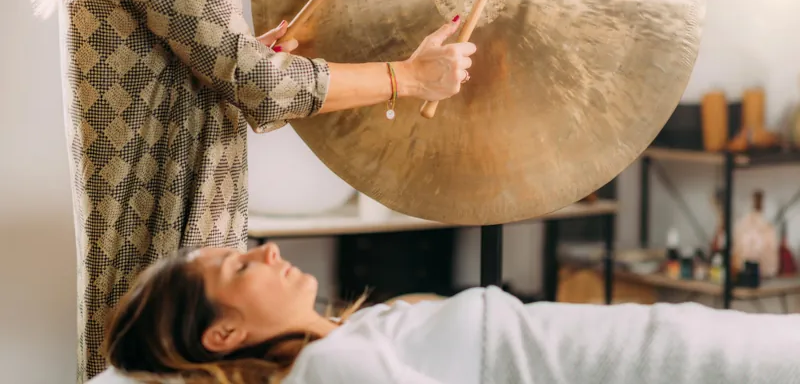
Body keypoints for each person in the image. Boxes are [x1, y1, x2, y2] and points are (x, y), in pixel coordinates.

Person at [32, 0, 475, 381]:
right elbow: (256, 83)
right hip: (171, 223)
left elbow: (190, 64)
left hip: (146, 212)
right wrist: (408, 78)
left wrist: (246, 54)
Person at [96, 242, 800, 384]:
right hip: (638, 362)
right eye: (240, 266)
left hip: (636, 340)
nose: (268, 249)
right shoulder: (333, 366)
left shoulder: (348, 337)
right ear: (224, 334)